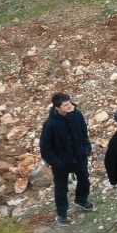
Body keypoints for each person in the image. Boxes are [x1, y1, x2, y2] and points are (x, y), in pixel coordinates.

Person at [39, 93, 94, 225]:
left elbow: (84, 133)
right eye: (66, 105)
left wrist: (87, 148)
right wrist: (56, 162)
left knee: (84, 179)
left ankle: (81, 200)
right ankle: (62, 214)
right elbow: (44, 147)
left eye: (70, 103)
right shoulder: (50, 124)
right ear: (57, 107)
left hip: (79, 157)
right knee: (61, 188)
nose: (70, 106)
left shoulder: (77, 115)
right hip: (61, 162)